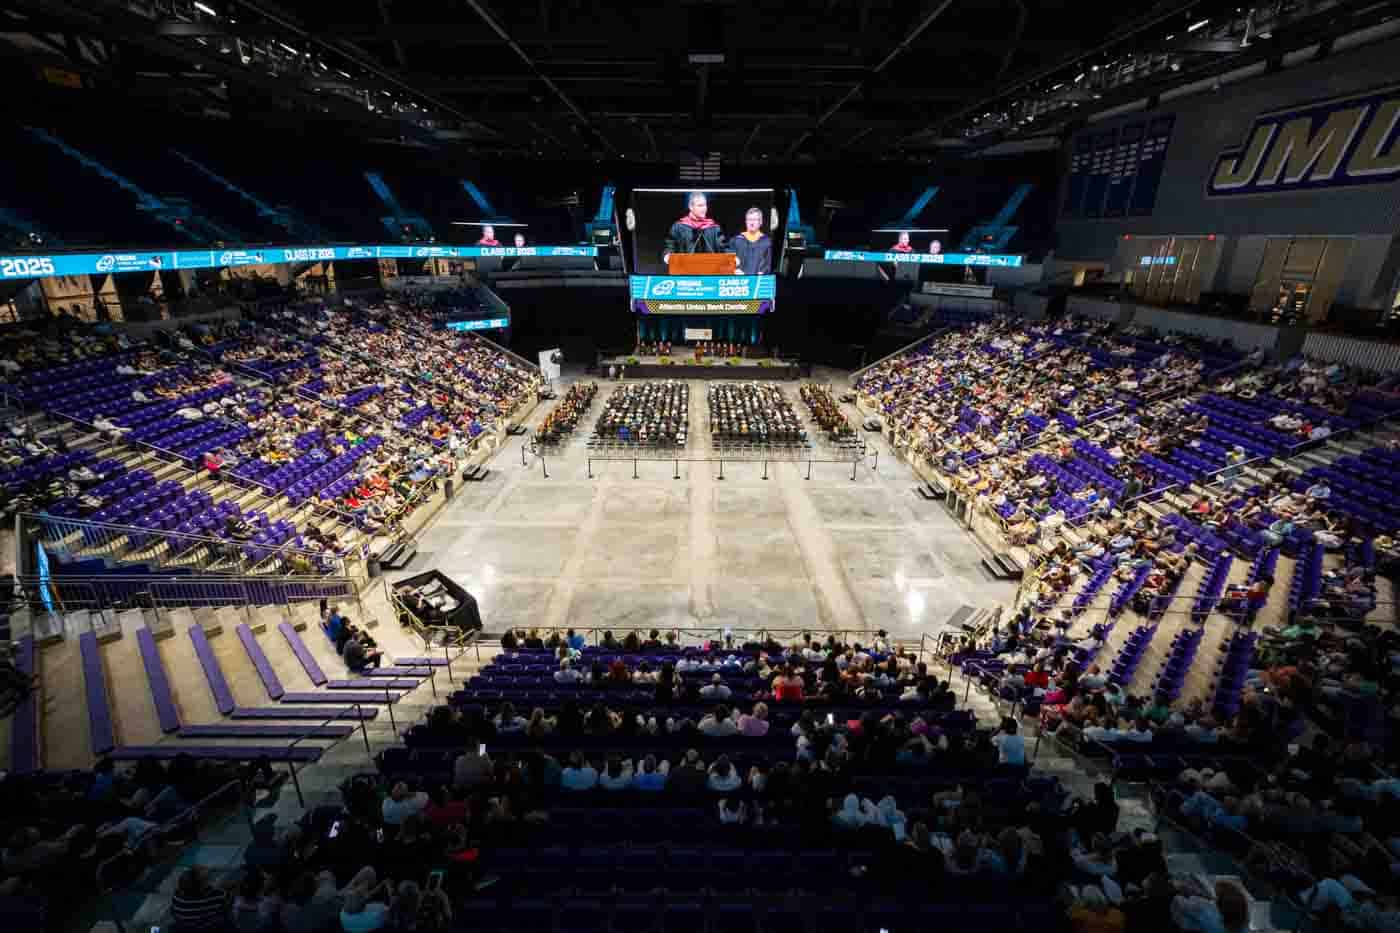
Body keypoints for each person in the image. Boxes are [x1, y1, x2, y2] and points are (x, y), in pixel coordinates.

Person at [663, 192, 725, 265]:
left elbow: (723, 248)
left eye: (705, 205)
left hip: (710, 271)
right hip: (685, 271)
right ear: (691, 207)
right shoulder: (679, 227)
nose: (704, 209)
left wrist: (732, 258)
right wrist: (668, 255)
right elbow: (670, 245)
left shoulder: (714, 228)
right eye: (700, 206)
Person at [171, 865, 230, 931]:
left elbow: (174, 912)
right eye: (207, 880)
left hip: (186, 928)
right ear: (203, 887)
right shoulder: (217, 896)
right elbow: (225, 905)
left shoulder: (177, 898)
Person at [732, 207, 772, 274]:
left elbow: (767, 265)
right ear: (745, 222)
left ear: (760, 222)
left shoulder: (766, 242)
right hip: (739, 281)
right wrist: (734, 269)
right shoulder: (737, 240)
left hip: (757, 281)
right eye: (749, 219)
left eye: (755, 219)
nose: (752, 222)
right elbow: (728, 262)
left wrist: (762, 272)